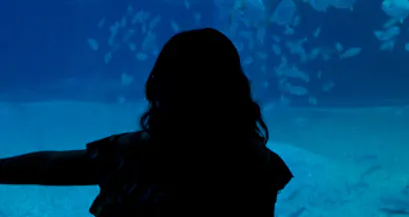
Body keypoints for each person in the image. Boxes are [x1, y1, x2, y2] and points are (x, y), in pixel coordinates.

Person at [0, 27, 293, 216]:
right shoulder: (262, 165)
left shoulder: (136, 155)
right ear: (235, 91)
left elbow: (52, 166)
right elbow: (52, 165)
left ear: (160, 90)